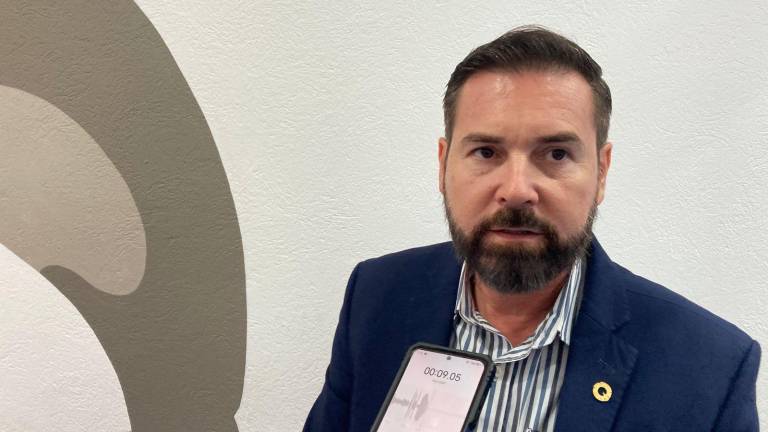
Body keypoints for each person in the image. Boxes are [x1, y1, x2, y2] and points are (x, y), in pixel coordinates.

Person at [303, 26, 761, 432]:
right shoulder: (376, 298)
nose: (517, 190)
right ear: (443, 165)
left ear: (601, 172)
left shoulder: (711, 368)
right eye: (486, 152)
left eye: (556, 154)